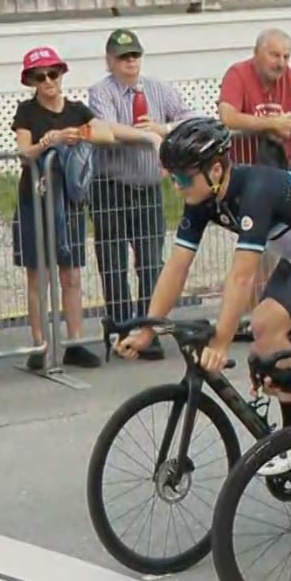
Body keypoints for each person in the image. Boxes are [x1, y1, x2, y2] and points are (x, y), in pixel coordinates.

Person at [116, 119, 291, 433]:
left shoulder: (256, 190)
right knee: (264, 348)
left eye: (182, 178)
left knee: (268, 325)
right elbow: (176, 267)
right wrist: (149, 331)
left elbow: (241, 277)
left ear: (215, 171)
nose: (176, 187)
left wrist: (220, 343)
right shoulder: (202, 196)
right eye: (171, 177)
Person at [9, 46, 160, 370]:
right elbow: (24, 153)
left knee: (72, 274)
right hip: (35, 199)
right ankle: (40, 344)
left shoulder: (77, 109)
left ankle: (74, 341)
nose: (48, 80)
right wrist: (49, 141)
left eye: (53, 73)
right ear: (31, 81)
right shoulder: (26, 112)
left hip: (71, 201)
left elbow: (106, 132)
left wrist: (83, 133)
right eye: (40, 76)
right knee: (38, 276)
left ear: (62, 74)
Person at [87, 29, 201, 359]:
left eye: (134, 55)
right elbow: (105, 128)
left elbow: (191, 116)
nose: (130, 62)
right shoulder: (101, 92)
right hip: (112, 186)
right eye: (123, 57)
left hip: (148, 187)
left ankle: (148, 330)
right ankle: (122, 328)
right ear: (110, 61)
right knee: (113, 262)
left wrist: (163, 129)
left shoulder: (158, 89)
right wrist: (146, 137)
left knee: (151, 261)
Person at [218, 29, 291, 167]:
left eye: (286, 57)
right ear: (256, 53)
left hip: (282, 166)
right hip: (245, 170)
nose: (281, 63)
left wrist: (287, 123)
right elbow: (227, 117)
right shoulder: (237, 74)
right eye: (274, 55)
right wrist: (272, 124)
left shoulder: (287, 75)